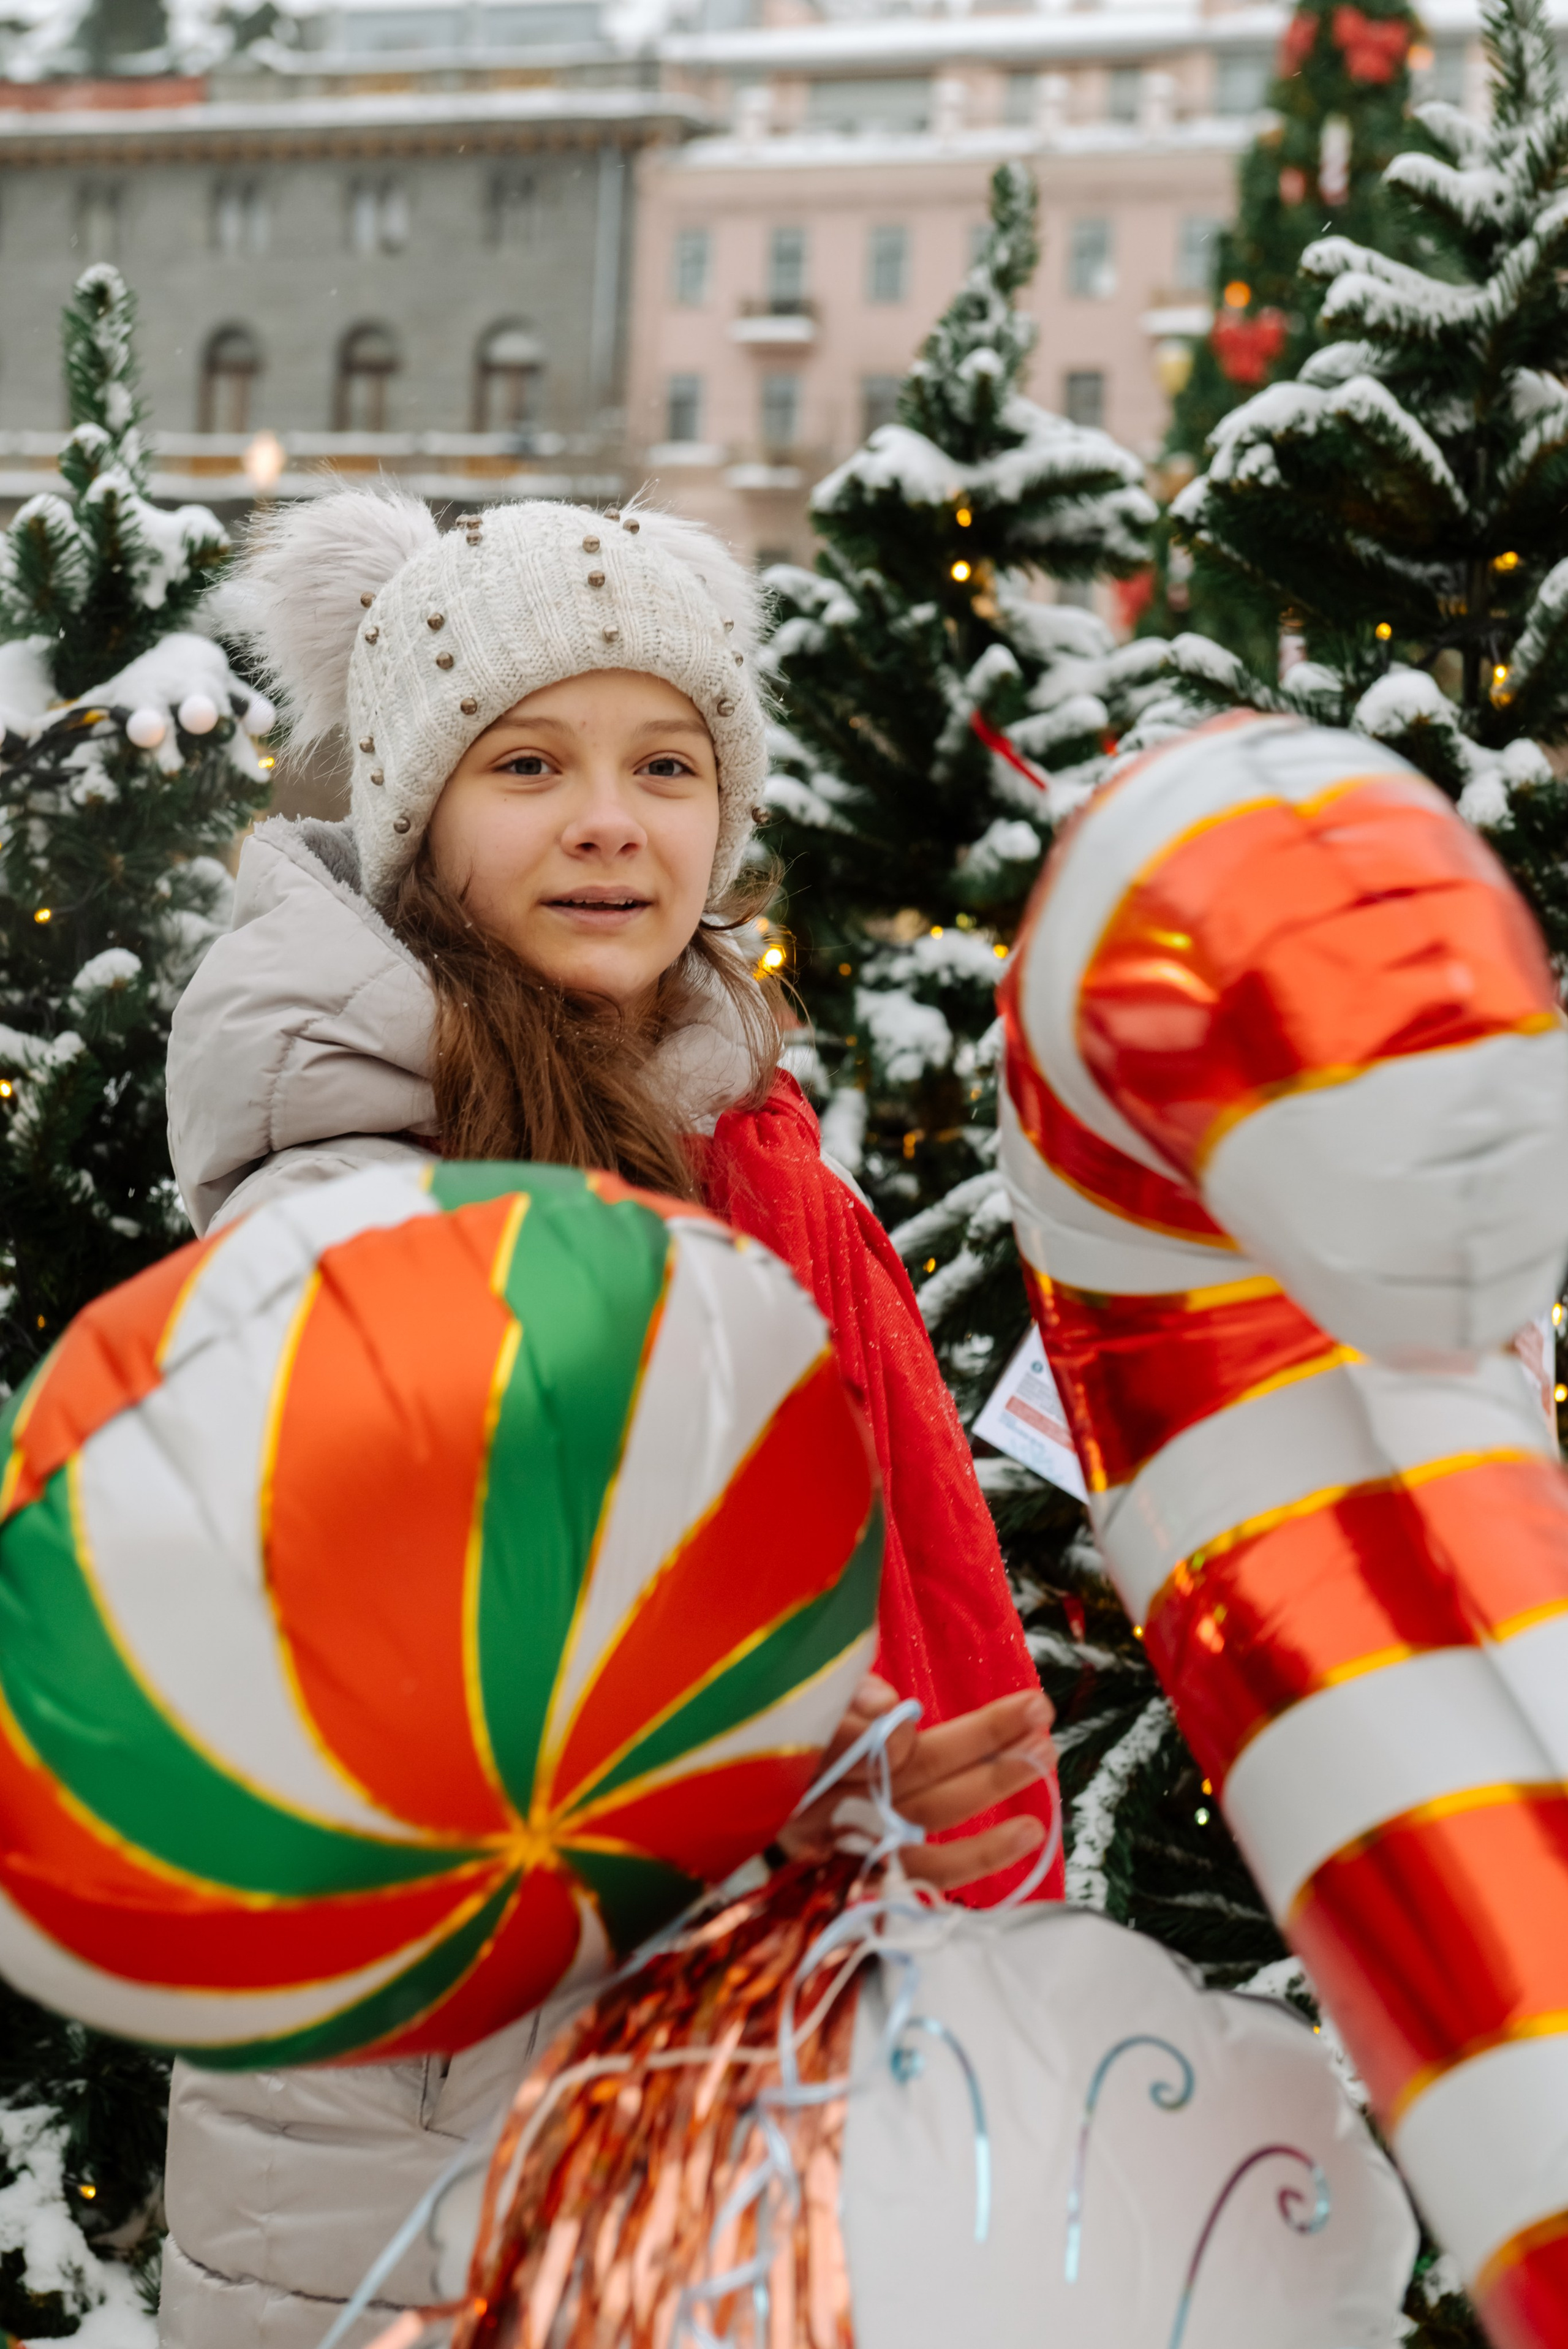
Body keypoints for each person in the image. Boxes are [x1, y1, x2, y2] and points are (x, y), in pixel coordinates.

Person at [160, 491, 1060, 2348]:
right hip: (420, 2165)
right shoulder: (346, 1172)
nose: (607, 818)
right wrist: (805, 1777)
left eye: (666, 761)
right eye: (528, 763)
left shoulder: (736, 1146)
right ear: (418, 820)